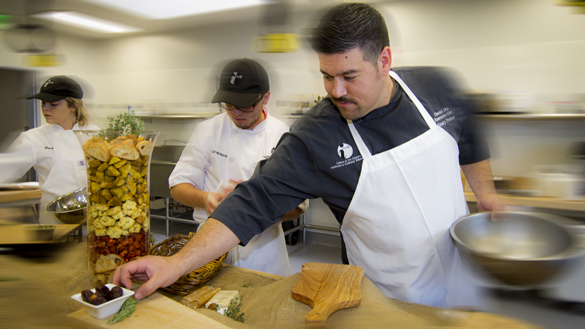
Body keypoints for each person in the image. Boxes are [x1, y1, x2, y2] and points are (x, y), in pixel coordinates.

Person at [115, 3, 504, 308]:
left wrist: (484, 194)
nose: (335, 91)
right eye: (325, 75)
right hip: (388, 300)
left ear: (384, 60)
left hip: (463, 277)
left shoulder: (436, 87)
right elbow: (253, 200)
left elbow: (468, 138)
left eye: (349, 76)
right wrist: (178, 262)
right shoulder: (315, 136)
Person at [167, 58, 307, 276]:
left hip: (263, 252)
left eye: (245, 106)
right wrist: (206, 199)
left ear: (266, 97)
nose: (236, 113)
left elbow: (298, 206)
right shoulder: (207, 130)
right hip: (209, 248)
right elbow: (178, 186)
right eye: (229, 105)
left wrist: (255, 207)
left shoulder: (283, 136)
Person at [0, 75, 99, 224]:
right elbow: (4, 167)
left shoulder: (95, 134)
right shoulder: (34, 138)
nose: (45, 108)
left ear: (74, 106)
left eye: (53, 104)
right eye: (43, 103)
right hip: (55, 220)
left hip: (94, 217)